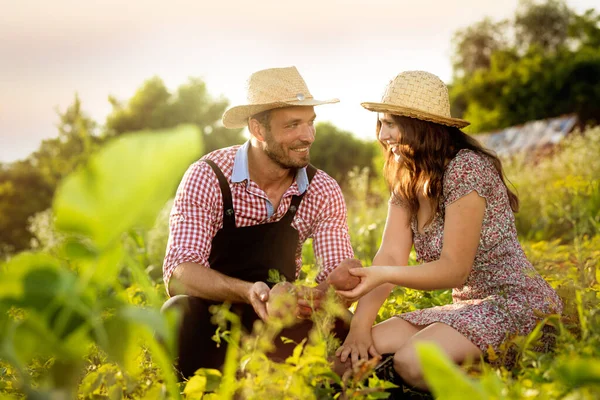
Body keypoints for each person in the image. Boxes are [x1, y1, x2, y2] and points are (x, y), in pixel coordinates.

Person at [334, 71, 563, 392]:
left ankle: (498, 386)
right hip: (468, 308)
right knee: (344, 361)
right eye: (380, 124)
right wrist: (360, 325)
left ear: (422, 126)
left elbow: (455, 270)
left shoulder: (466, 168)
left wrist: (381, 273)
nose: (383, 135)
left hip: (515, 302)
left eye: (391, 124)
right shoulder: (406, 178)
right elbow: (390, 255)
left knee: (413, 360)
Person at [161, 66, 355, 379]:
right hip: (214, 322)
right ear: (257, 129)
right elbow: (179, 274)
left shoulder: (322, 189)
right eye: (293, 125)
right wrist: (253, 292)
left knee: (344, 323)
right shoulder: (209, 176)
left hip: (281, 319)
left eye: (310, 123)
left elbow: (335, 274)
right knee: (176, 312)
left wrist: (333, 287)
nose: (307, 136)